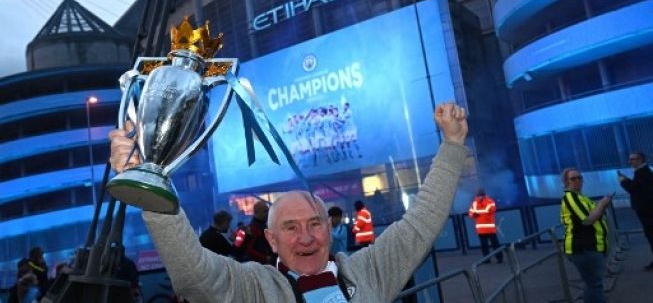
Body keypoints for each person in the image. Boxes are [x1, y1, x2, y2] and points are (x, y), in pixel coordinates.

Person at [108, 103, 468, 302]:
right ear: (272, 240)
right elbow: (194, 275)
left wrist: (452, 147)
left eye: (314, 224)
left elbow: (421, 221)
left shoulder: (368, 271)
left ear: (329, 229)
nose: (306, 238)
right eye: (291, 228)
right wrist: (149, 183)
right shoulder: (252, 288)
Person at [560, 168, 611, 303]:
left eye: (579, 178)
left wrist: (601, 207)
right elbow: (587, 220)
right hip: (583, 248)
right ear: (566, 182)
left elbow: (594, 215)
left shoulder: (581, 197)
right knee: (595, 284)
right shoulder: (571, 197)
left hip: (589, 247)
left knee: (593, 284)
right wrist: (602, 205)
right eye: (573, 179)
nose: (577, 181)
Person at [618, 151, 653, 270]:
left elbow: (633, 189)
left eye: (633, 159)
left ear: (640, 160)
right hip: (648, 210)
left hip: (647, 211)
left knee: (651, 235)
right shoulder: (643, 172)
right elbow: (638, 187)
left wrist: (623, 181)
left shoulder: (641, 173)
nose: (630, 161)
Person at [468, 188, 503, 263]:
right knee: (484, 246)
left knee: (495, 245)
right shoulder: (474, 203)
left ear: (484, 195)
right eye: (478, 196)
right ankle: (487, 259)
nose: (479, 197)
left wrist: (479, 208)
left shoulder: (490, 202)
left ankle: (499, 258)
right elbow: (470, 213)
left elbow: (492, 209)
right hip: (481, 229)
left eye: (481, 196)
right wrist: (473, 214)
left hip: (489, 229)